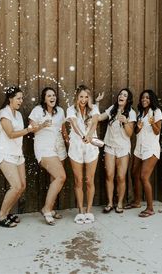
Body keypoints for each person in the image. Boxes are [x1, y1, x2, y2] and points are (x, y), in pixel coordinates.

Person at [0, 86, 37, 228]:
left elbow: (20, 133)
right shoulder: (3, 113)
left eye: (22, 98)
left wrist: (35, 127)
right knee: (16, 186)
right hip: (5, 152)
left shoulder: (18, 114)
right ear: (10, 99)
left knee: (22, 186)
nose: (21, 101)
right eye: (18, 98)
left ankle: (6, 213)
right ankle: (1, 216)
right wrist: (29, 130)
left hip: (17, 153)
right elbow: (11, 134)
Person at [29, 87, 69, 225]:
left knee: (55, 179)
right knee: (61, 176)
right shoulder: (37, 110)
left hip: (59, 147)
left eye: (54, 95)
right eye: (49, 96)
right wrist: (42, 125)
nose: (52, 97)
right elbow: (31, 128)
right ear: (44, 98)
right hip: (44, 148)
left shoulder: (60, 111)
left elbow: (63, 130)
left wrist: (69, 144)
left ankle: (50, 208)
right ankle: (46, 209)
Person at [98, 88, 136, 214]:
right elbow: (99, 118)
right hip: (110, 146)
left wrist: (125, 122)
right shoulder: (112, 109)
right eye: (120, 94)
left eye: (125, 95)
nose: (121, 96)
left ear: (128, 99)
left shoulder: (131, 113)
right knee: (109, 175)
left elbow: (130, 134)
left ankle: (119, 203)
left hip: (123, 149)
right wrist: (97, 103)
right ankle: (109, 203)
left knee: (120, 177)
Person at [66, 85, 100, 224]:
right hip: (76, 147)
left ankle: (89, 211)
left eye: (86, 97)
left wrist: (90, 135)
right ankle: (80, 211)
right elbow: (74, 124)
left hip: (91, 148)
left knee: (89, 180)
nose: (84, 99)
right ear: (76, 97)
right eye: (81, 96)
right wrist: (82, 136)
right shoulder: (70, 109)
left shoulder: (94, 109)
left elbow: (95, 123)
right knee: (78, 181)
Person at [127, 89, 162, 217]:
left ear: (151, 99)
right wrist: (139, 127)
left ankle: (150, 208)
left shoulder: (156, 112)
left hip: (151, 149)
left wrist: (152, 123)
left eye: (147, 98)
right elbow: (137, 132)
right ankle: (137, 201)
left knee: (143, 177)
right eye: (142, 98)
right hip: (139, 148)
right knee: (133, 174)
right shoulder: (140, 113)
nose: (144, 100)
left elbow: (157, 131)